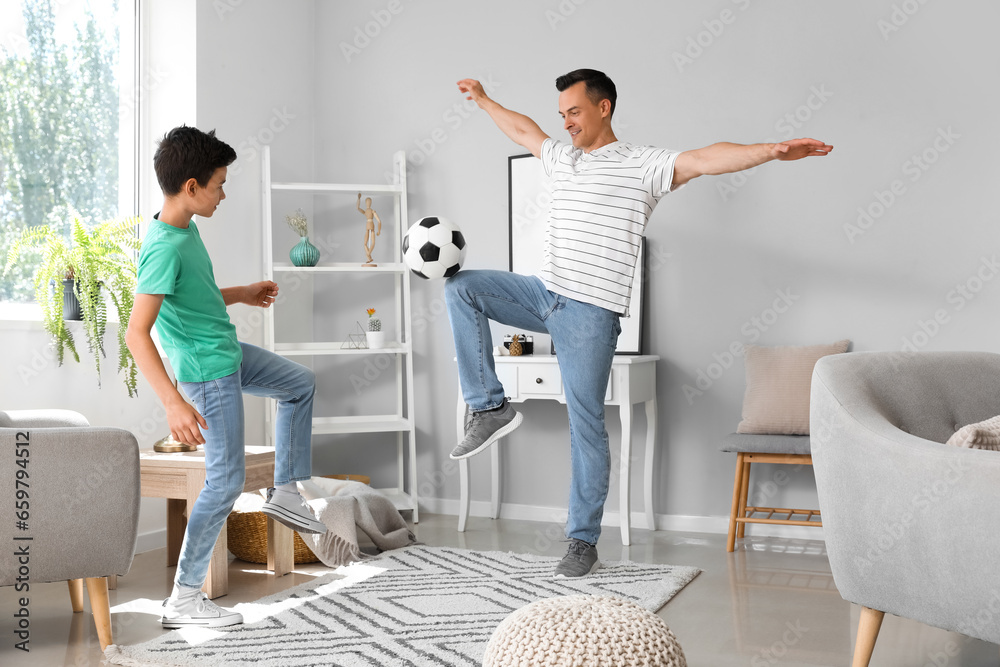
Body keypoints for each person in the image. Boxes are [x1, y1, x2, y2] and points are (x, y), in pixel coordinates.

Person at [446, 69, 832, 578]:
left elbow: (704, 158)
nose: (566, 124)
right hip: (544, 294)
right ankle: (489, 407)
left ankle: (582, 542)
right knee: (461, 287)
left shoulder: (642, 164)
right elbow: (523, 130)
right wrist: (484, 100)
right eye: (561, 115)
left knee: (586, 428)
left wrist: (772, 150)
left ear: (603, 108)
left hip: (590, 313)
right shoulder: (564, 159)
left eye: (575, 112)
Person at [125, 126, 327, 628]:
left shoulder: (184, 227)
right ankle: (183, 600)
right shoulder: (163, 247)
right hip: (206, 375)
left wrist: (241, 293)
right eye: (218, 183)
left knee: (299, 383)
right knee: (225, 481)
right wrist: (173, 402)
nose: (223, 192)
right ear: (191, 186)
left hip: (227, 353)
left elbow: (193, 297)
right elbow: (135, 333)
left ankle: (284, 490)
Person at [358, 192, 382, 265]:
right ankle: (368, 256)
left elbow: (357, 208)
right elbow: (379, 221)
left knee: (367, 243)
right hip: (370, 225)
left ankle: (368, 255)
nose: (368, 203)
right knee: (369, 243)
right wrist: (379, 231)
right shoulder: (370, 211)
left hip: (368, 225)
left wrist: (358, 198)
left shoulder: (367, 211)